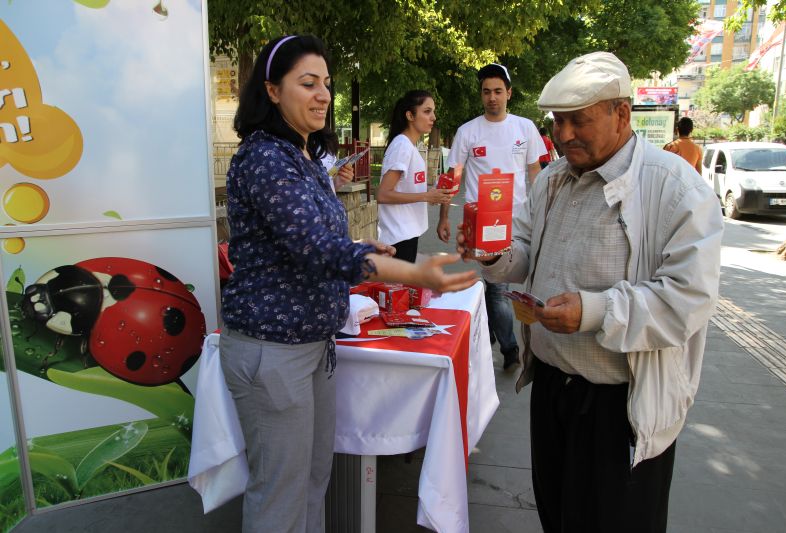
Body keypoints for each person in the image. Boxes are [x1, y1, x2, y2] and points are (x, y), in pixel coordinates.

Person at [221, 34, 477, 533]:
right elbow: (316, 249)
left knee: (314, 479)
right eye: (308, 83)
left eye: (327, 84)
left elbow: (316, 240)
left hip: (312, 344)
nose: (323, 95)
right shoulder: (265, 158)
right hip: (272, 350)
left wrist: (371, 250)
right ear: (272, 91)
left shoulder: (303, 155)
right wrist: (412, 272)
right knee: (280, 493)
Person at [458, 52, 723, 532]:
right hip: (553, 391)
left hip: (620, 405)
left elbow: (688, 299)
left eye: (578, 120)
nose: (562, 135)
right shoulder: (553, 180)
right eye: (558, 121)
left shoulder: (675, 188)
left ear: (621, 114)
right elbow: (524, 252)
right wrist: (490, 253)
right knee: (557, 516)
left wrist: (595, 311)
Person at [437, 62, 547, 370]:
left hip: (519, 221)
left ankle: (495, 338)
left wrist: (540, 212)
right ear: (481, 95)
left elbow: (535, 172)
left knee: (502, 288)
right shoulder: (468, 132)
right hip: (482, 224)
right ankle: (510, 350)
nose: (492, 97)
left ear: (509, 93)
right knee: (497, 288)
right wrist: (443, 217)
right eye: (487, 92)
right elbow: (454, 175)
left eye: (498, 91)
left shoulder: (524, 128)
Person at [376, 90, 454, 263]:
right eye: (427, 111)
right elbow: (382, 194)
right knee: (400, 289)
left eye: (433, 111)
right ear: (410, 115)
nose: (433, 117)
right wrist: (426, 196)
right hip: (398, 237)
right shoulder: (402, 146)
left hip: (407, 234)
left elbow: (405, 187)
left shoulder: (410, 146)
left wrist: (432, 194)